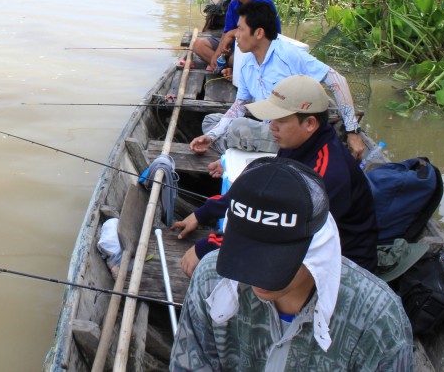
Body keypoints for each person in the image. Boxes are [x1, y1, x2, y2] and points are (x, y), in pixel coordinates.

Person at [170, 157, 413, 372]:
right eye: (247, 252)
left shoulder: (378, 319)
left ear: (317, 247)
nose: (255, 275)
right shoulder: (210, 279)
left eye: (274, 259)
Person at [173, 75, 378, 277]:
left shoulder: (327, 173)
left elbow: (282, 232)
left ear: (309, 123)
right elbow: (261, 187)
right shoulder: (298, 144)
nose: (272, 126)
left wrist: (212, 244)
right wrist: (203, 214)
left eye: (281, 120)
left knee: (214, 270)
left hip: (342, 263)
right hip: (301, 239)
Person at [189, 1, 366, 160]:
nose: (236, 35)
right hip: (271, 129)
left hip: (293, 133)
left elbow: (337, 80)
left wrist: (353, 131)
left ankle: (270, 154)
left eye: (241, 30)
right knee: (210, 121)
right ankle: (265, 154)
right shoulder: (247, 63)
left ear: (258, 33)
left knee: (238, 127)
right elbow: (240, 105)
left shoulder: (288, 55)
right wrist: (212, 136)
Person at [192, 0, 280, 73]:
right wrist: (219, 53)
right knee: (198, 45)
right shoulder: (234, 3)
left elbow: (258, 34)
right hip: (238, 45)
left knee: (236, 58)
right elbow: (226, 32)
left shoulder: (262, 4)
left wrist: (231, 34)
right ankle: (226, 68)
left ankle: (231, 69)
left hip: (254, 48)